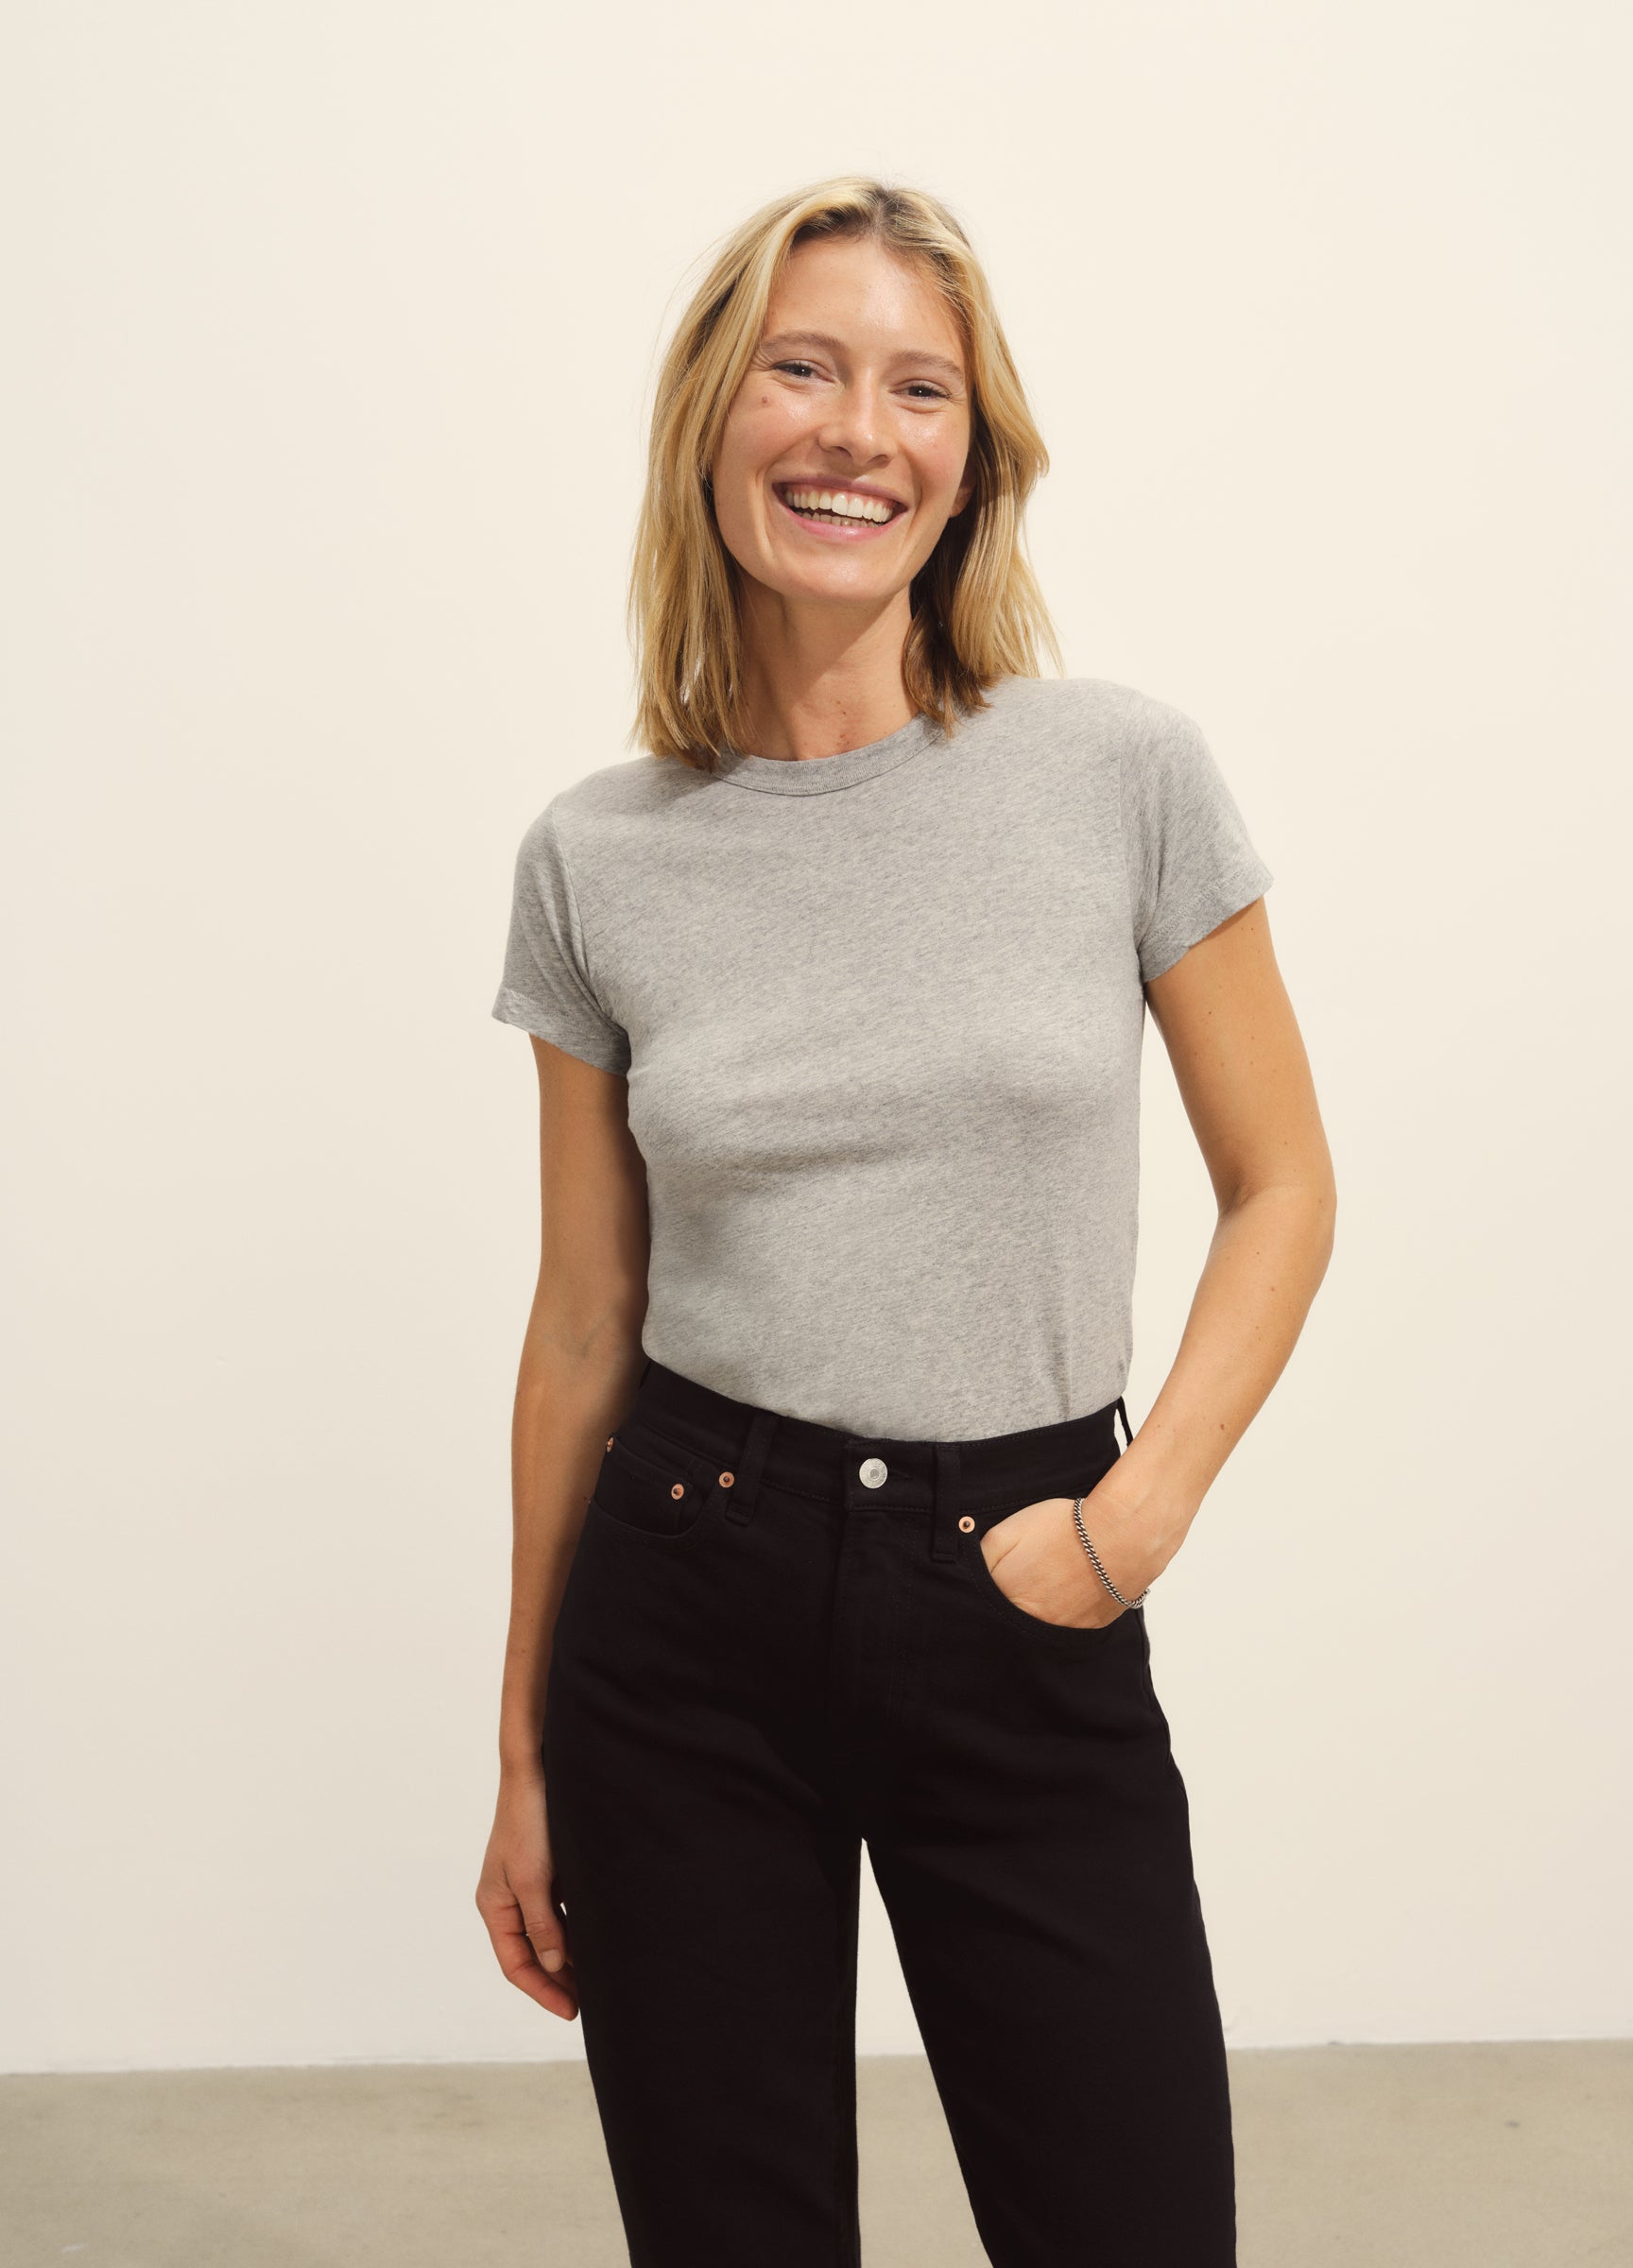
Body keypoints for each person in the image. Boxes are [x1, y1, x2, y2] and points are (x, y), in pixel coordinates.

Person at [476, 174, 1335, 2268]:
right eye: (803, 368)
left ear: (974, 455)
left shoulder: (1118, 774)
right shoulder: (598, 855)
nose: (857, 431)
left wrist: (1128, 1525)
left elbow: (1285, 1186)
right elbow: (584, 1320)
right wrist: (520, 1754)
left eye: (917, 388)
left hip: (1028, 1576)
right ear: (714, 417)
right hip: (686, 1609)